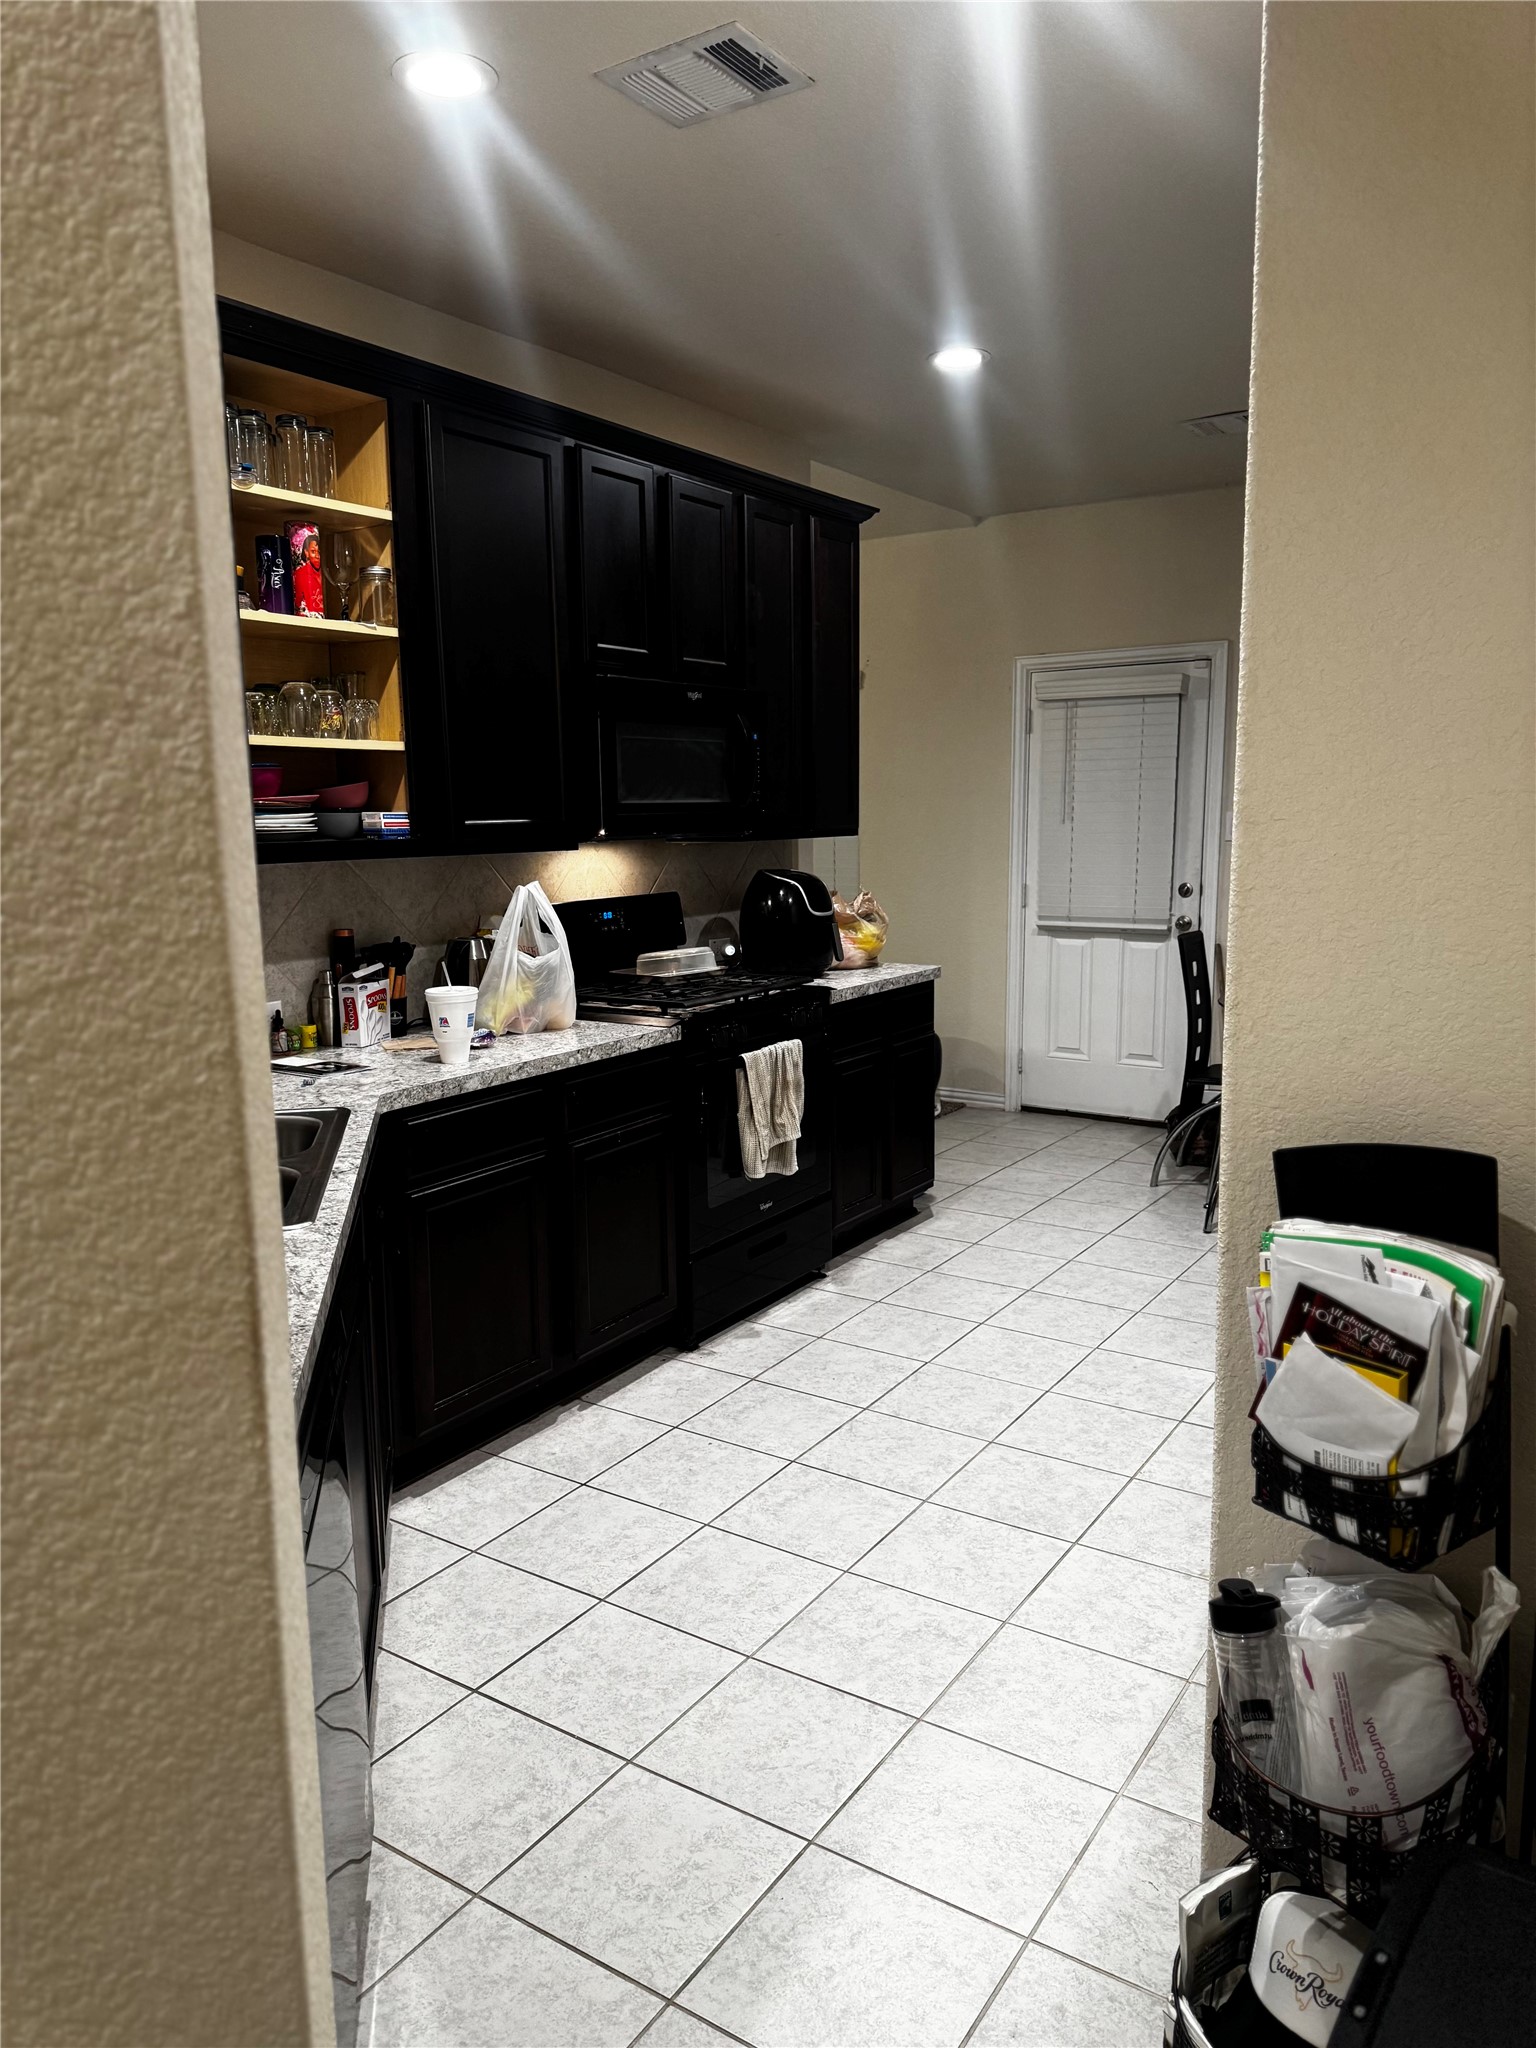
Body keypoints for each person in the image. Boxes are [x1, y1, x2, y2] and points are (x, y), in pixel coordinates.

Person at [291, 527, 323, 616]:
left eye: (319, 552)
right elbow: (298, 603)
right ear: (306, 552)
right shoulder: (300, 573)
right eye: (313, 551)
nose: (317, 555)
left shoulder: (322, 573)